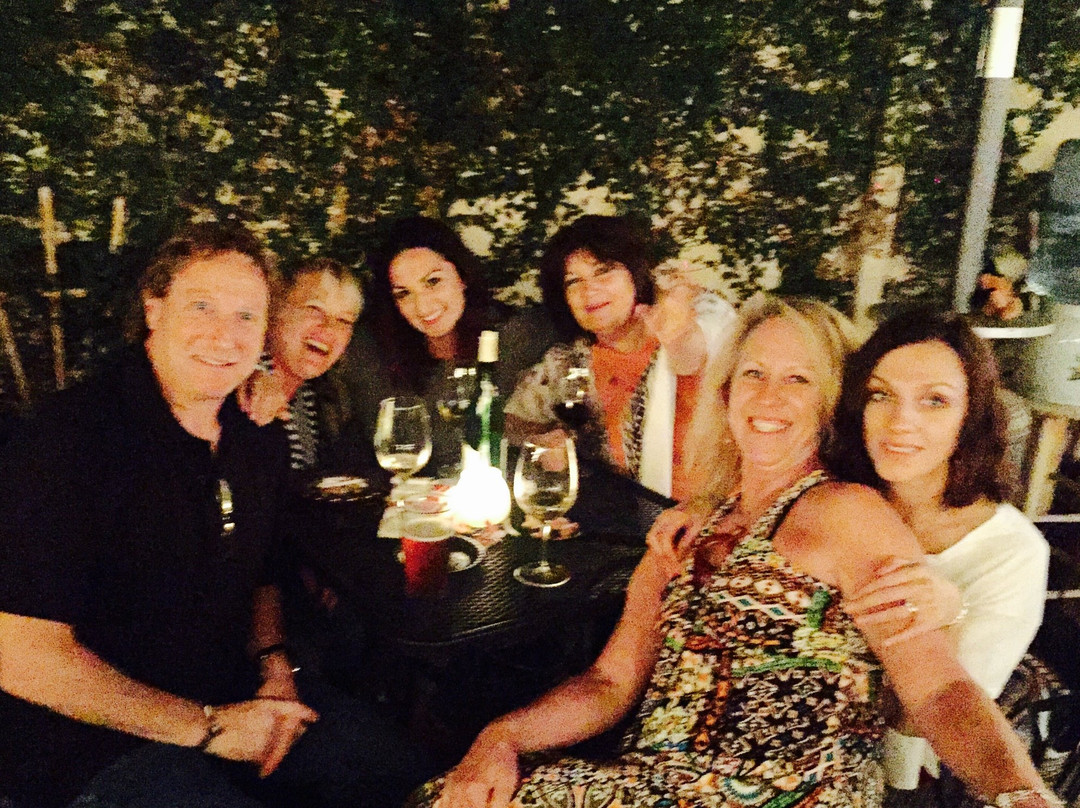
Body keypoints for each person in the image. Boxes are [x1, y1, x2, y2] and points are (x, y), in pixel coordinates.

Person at [411, 294, 1059, 808]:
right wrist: (503, 736)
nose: (770, 397)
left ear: (831, 401)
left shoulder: (847, 515)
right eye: (754, 373)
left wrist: (1020, 794)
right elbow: (611, 682)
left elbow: (939, 688)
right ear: (726, 391)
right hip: (654, 780)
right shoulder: (690, 527)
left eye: (799, 379)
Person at [0, 224, 428, 808]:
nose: (225, 335)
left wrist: (274, 666)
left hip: (238, 693)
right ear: (154, 309)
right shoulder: (70, 440)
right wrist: (208, 727)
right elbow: (19, 654)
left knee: (405, 774)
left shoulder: (255, 432)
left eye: (246, 316)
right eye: (202, 306)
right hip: (96, 739)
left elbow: (263, 571)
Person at [829, 310, 1050, 806]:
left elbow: (920, 728)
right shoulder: (829, 499)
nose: (900, 422)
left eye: (935, 401)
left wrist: (950, 614)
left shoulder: (1011, 553)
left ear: (970, 419)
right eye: (880, 395)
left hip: (893, 782)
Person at [503, 215, 737, 500]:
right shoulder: (566, 364)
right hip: (624, 518)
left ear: (635, 274)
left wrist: (679, 337)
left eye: (603, 271)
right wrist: (544, 440)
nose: (589, 290)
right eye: (573, 281)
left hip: (717, 511)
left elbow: (694, 355)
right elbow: (511, 423)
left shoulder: (691, 320)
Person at [362, 216, 556, 473]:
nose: (423, 306)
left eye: (433, 282)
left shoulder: (522, 336)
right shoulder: (377, 355)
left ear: (462, 276)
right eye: (404, 293)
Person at [239, 257, 367, 475]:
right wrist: (252, 376)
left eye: (344, 321)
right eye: (314, 309)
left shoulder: (331, 399)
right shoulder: (239, 387)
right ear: (275, 312)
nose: (329, 328)